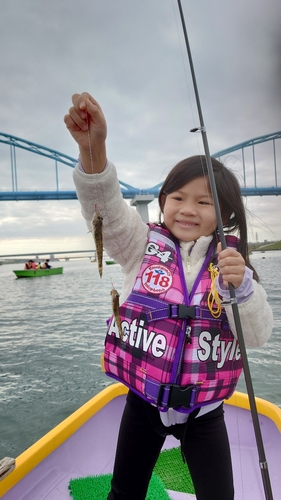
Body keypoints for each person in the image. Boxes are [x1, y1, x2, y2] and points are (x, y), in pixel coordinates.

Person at [64, 93, 273, 500]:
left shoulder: (231, 265)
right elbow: (103, 211)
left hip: (206, 413)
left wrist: (243, 290)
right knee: (125, 492)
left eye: (203, 201)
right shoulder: (139, 245)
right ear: (162, 203)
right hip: (143, 404)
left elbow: (259, 334)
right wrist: (94, 149)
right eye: (177, 197)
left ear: (225, 215)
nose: (187, 209)